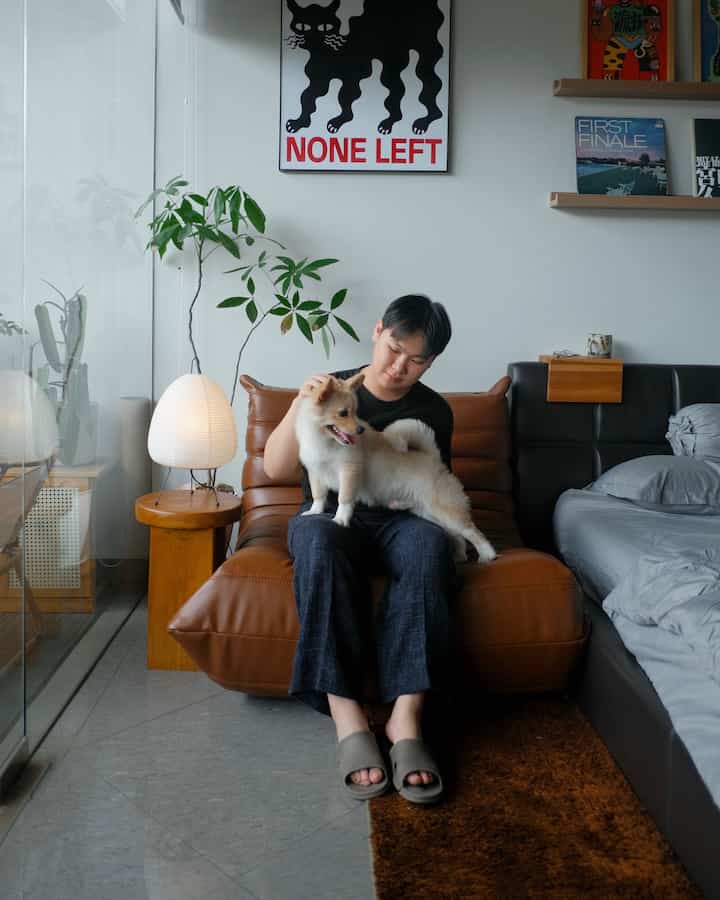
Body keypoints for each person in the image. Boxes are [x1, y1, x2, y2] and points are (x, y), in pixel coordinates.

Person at [263, 294, 454, 803]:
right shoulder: (333, 390)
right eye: (394, 348)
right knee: (319, 543)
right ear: (377, 331)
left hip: (399, 517)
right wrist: (299, 403)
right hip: (328, 515)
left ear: (431, 362)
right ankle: (348, 718)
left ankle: (405, 719)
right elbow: (275, 469)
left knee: (429, 546)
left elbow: (432, 487)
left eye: (416, 360)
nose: (398, 367)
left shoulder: (434, 410)